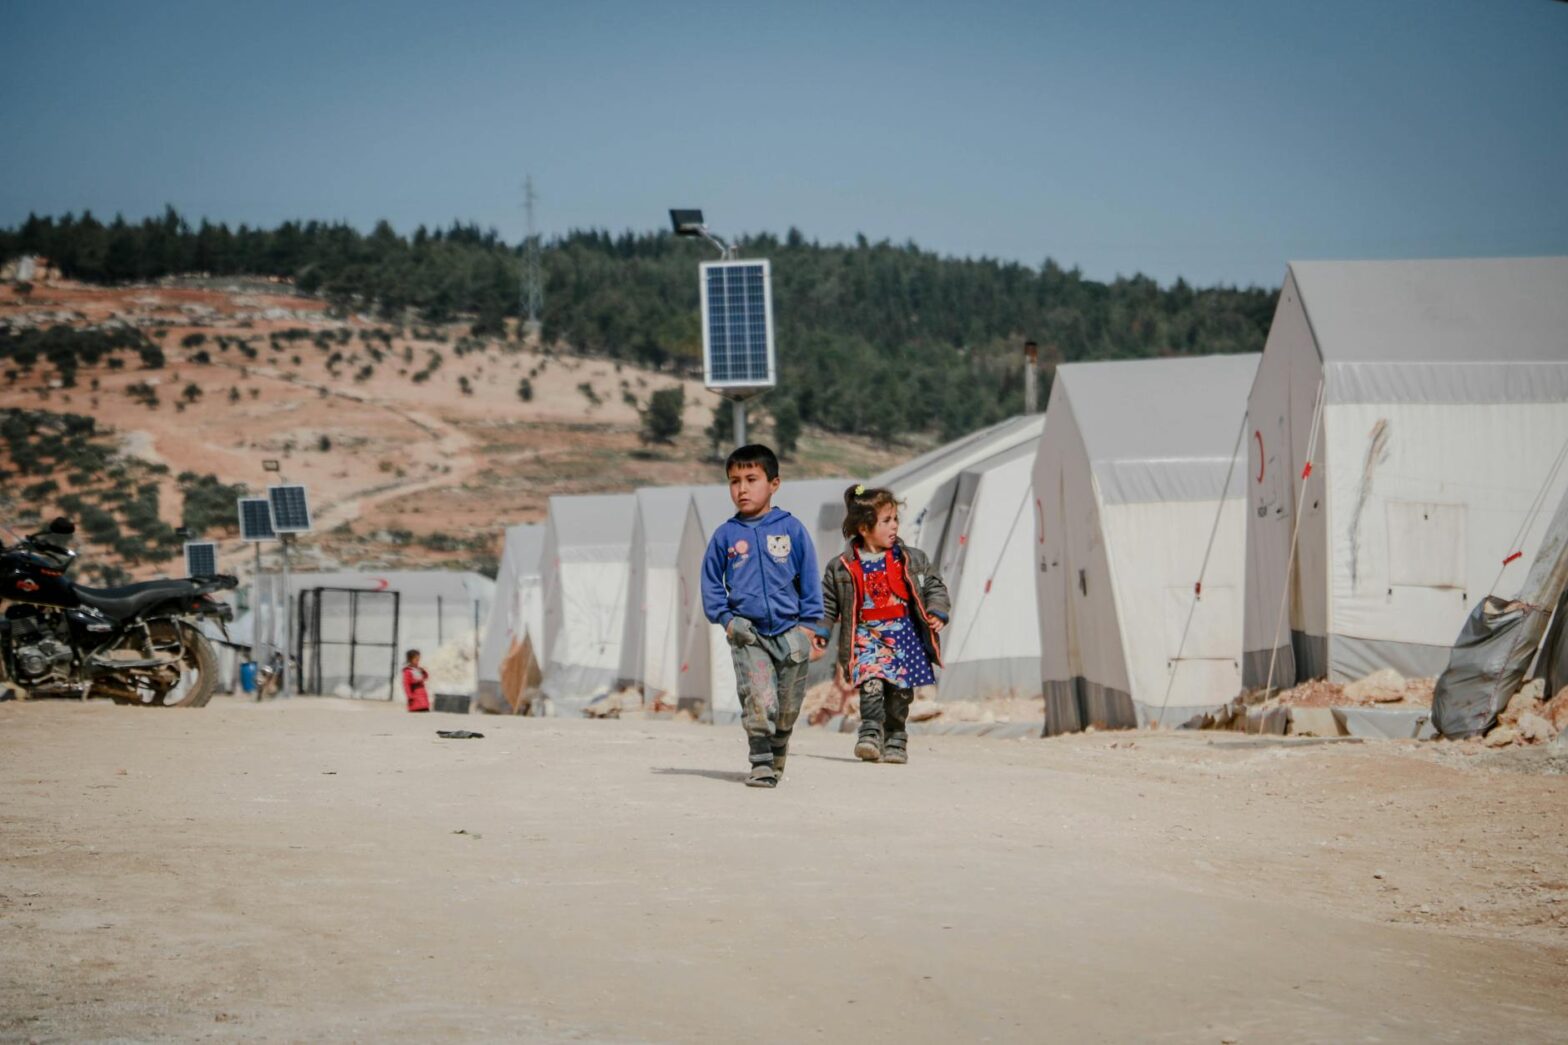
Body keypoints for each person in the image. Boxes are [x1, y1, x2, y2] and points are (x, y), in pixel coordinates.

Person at [700, 444, 823, 788]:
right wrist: (727, 620)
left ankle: (779, 744)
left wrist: (808, 627)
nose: (741, 488)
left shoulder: (791, 530)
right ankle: (761, 762)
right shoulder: (725, 535)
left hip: (791, 633)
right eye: (734, 481)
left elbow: (810, 578)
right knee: (758, 697)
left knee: (786, 706)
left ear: (774, 483)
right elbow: (711, 583)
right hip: (749, 634)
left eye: (751, 479)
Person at [812, 484, 950, 765]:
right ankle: (870, 733)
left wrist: (937, 610)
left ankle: (896, 736)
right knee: (872, 683)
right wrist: (823, 629)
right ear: (864, 527)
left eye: (895, 519)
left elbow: (934, 586)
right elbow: (828, 603)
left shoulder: (911, 559)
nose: (895, 526)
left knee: (901, 692)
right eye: (886, 521)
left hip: (904, 636)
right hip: (866, 636)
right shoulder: (841, 567)